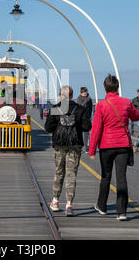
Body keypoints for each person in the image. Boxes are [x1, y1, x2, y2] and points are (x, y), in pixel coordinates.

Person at [88, 74, 139, 221]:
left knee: (106, 176)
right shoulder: (126, 102)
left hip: (106, 146)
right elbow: (137, 116)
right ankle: (122, 212)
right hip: (123, 145)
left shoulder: (101, 105)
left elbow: (96, 129)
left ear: (105, 88)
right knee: (121, 177)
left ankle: (102, 206)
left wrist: (92, 150)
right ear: (117, 87)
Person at [45, 86, 91, 217]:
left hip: (59, 146)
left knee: (59, 172)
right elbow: (87, 126)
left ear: (61, 95)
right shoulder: (80, 109)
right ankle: (69, 204)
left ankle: (55, 201)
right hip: (74, 147)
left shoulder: (55, 109)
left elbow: (48, 127)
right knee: (71, 175)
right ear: (71, 95)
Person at [76, 87, 93, 154]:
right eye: (83, 92)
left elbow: (91, 108)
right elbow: (81, 107)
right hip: (80, 118)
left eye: (85, 92)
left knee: (86, 133)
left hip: (87, 118)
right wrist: (86, 100)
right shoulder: (79, 99)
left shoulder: (89, 99)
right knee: (80, 133)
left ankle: (86, 147)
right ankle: (80, 146)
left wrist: (89, 116)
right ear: (81, 93)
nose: (85, 93)